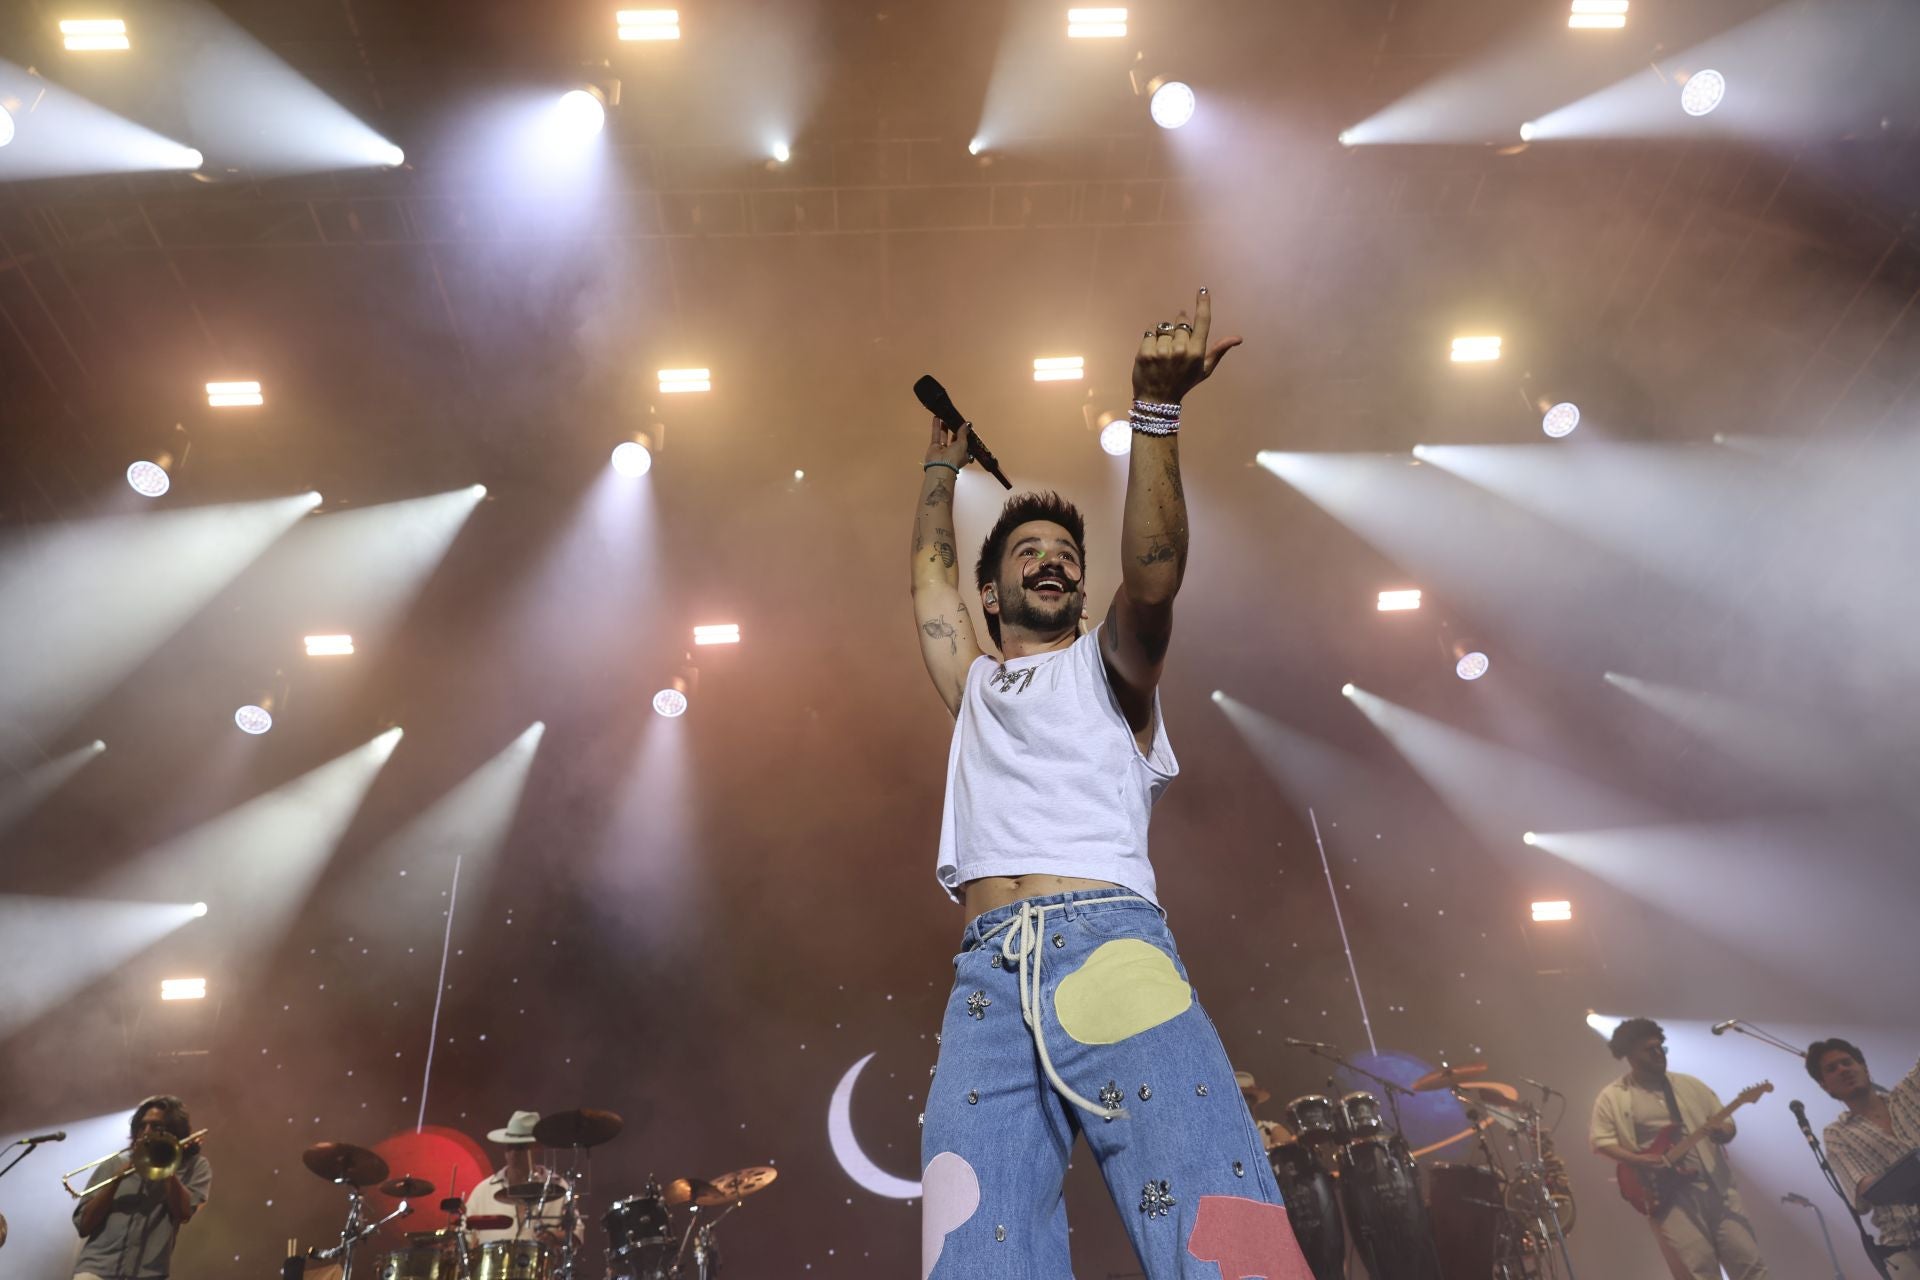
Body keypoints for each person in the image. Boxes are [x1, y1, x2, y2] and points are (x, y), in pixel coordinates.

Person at [910, 290, 1312, 1279]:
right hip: (985, 985)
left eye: (1067, 558)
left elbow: (1157, 572)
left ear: (1083, 592)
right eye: (1026, 553)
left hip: (1112, 950)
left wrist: (1156, 418)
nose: (1052, 560)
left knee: (1219, 1232)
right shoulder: (978, 687)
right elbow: (929, 587)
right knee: (972, 1248)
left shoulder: (1111, 667)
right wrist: (937, 471)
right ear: (994, 592)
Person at [1590, 1018, 1770, 1280]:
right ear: (1628, 1054)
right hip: (1668, 1198)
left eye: (1660, 1047)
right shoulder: (1613, 1096)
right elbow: (1600, 1141)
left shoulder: (1690, 1084)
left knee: (1751, 1267)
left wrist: (1724, 1132)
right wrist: (1638, 1160)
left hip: (1717, 1190)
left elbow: (1727, 1123)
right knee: (1697, 1272)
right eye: (1648, 1049)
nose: (1658, 1053)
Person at [1809, 1037, 1920, 1275]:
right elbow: (1865, 1189)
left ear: (1864, 1067)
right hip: (1906, 1244)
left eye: (1847, 1062)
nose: (1842, 1070)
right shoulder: (1837, 1134)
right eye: (1831, 1069)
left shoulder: (1909, 1093)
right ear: (1825, 1085)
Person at [72, 1095, 210, 1280]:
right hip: (96, 1270)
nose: (146, 1131)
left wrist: (166, 1166)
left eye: (156, 1127)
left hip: (149, 1274)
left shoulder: (195, 1166)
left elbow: (184, 1213)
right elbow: (84, 1226)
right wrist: (116, 1181)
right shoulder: (114, 1164)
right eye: (141, 1126)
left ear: (174, 1131)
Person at [465, 1111, 582, 1250]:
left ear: (537, 1148)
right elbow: (464, 1239)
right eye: (509, 1147)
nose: (513, 1154)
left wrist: (553, 1236)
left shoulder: (557, 1186)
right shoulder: (483, 1191)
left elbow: (576, 1235)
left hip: (540, 1269)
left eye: (520, 1147)